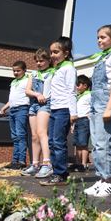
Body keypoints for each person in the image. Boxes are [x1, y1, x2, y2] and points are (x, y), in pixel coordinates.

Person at [84, 23, 111, 197]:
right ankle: (100, 179)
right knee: (96, 144)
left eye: (103, 37)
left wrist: (108, 108)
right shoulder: (103, 57)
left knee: (103, 143)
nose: (99, 40)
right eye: (98, 37)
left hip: (105, 102)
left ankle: (108, 181)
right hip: (95, 103)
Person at [39, 37, 77, 186]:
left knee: (59, 142)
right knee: (51, 142)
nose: (52, 55)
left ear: (66, 53)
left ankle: (60, 174)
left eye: (56, 52)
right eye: (51, 52)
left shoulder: (69, 68)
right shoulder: (57, 69)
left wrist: (73, 113)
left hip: (63, 110)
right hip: (54, 109)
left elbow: (71, 92)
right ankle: (57, 172)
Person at [21, 50, 54, 177]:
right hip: (33, 104)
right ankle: (35, 164)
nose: (39, 63)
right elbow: (27, 90)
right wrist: (37, 94)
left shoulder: (52, 73)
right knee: (34, 135)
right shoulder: (33, 74)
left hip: (46, 104)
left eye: (42, 61)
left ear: (48, 61)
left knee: (42, 133)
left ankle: (47, 163)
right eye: (37, 61)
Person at [0, 61, 30, 170]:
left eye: (18, 70)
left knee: (21, 135)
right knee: (15, 136)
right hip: (12, 110)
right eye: (14, 71)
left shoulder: (27, 80)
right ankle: (14, 160)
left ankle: (21, 161)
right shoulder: (13, 82)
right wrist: (4, 107)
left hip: (22, 109)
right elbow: (11, 99)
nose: (16, 73)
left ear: (24, 70)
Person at [71, 74, 91, 172]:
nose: (77, 87)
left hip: (84, 120)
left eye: (78, 85)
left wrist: (89, 116)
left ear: (85, 86)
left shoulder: (89, 95)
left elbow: (93, 107)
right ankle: (78, 163)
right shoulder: (77, 96)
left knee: (83, 143)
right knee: (77, 144)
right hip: (76, 121)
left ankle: (84, 163)